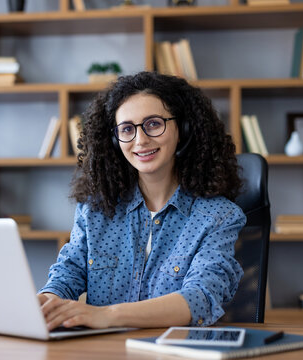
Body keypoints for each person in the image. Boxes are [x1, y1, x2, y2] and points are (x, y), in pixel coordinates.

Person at [37, 71, 246, 330]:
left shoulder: (219, 216)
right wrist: (46, 302)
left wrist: (105, 315)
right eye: (127, 129)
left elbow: (200, 298)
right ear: (115, 139)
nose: (140, 140)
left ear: (184, 129)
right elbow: (67, 275)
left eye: (154, 124)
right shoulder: (96, 209)